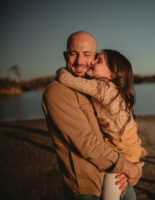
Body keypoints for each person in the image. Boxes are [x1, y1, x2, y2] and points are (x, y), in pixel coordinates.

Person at [42, 31, 143, 200]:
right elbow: (86, 143)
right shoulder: (57, 91)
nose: (80, 61)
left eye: (88, 55)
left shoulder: (95, 87)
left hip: (118, 176)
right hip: (89, 188)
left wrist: (133, 165)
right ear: (66, 55)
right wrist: (130, 167)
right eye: (74, 54)